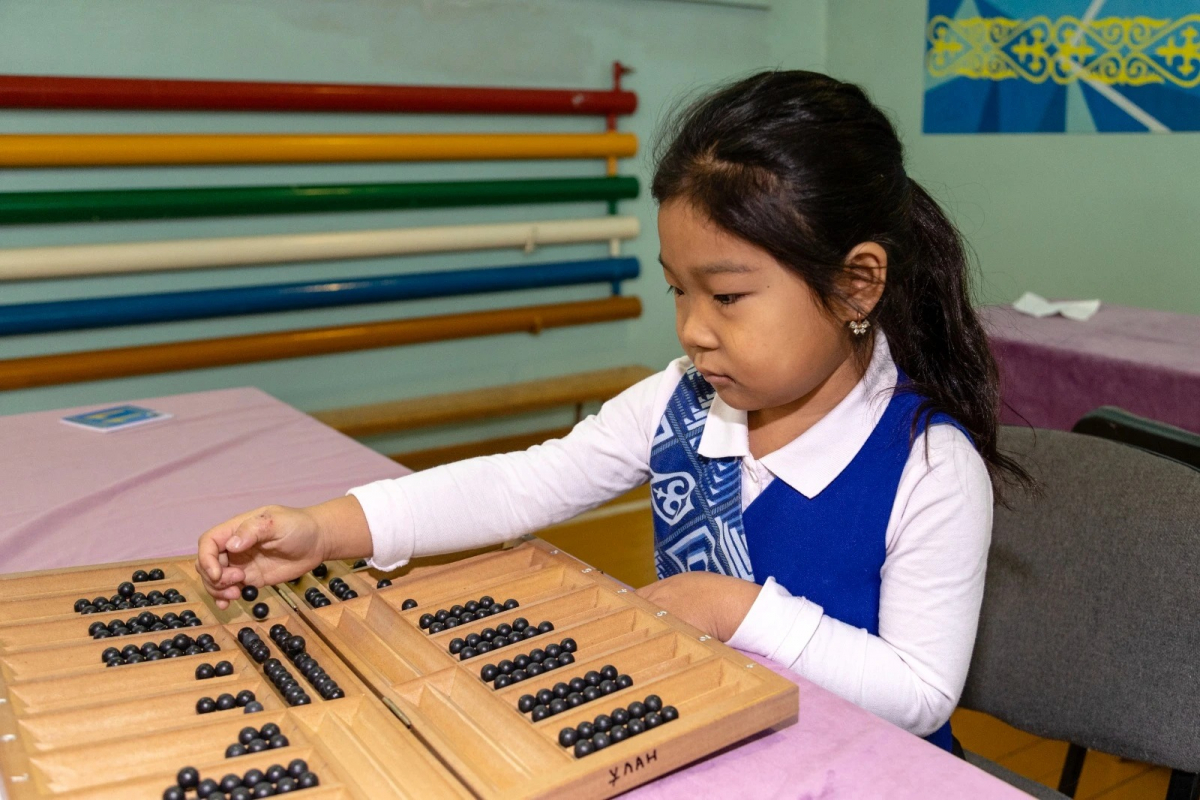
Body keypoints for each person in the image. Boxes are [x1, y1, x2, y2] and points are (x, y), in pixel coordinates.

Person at [197, 70, 1030, 752]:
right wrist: (326, 530)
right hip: (705, 739)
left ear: (856, 283)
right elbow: (521, 487)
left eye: (729, 296)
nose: (693, 330)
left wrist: (727, 608)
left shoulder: (929, 465)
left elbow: (920, 697)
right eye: (679, 289)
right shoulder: (682, 402)